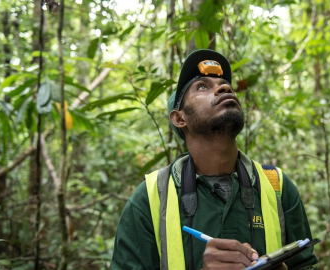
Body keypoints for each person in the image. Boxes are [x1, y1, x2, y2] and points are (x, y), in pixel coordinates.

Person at [111, 50, 318, 270]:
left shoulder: (277, 185)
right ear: (179, 118)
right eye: (202, 86)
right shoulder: (151, 197)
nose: (225, 88)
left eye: (225, 84)